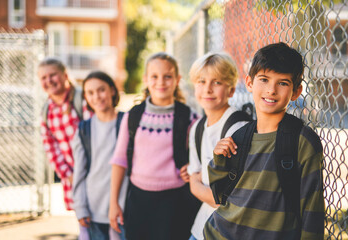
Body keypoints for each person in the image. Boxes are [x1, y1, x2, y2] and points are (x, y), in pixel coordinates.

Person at [204, 42, 325, 239]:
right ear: (249, 82)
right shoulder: (240, 136)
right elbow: (220, 193)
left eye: (283, 83)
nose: (271, 90)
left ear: (296, 91)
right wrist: (218, 159)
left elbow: (313, 212)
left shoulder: (303, 141)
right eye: (264, 79)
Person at [108, 52, 200, 240]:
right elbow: (119, 160)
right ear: (146, 80)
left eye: (168, 76)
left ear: (177, 79)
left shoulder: (189, 117)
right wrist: (113, 203)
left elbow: (199, 157)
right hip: (138, 201)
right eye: (155, 76)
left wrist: (191, 169)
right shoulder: (133, 116)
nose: (161, 82)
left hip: (176, 202)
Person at [186, 52, 249, 240]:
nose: (208, 89)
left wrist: (196, 184)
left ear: (230, 90)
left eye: (217, 82)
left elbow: (229, 199)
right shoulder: (197, 128)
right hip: (201, 228)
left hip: (229, 232)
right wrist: (195, 184)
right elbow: (192, 179)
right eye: (201, 82)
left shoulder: (237, 127)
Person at [38, 58, 92, 240]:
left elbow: (96, 136)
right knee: (84, 223)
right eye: (44, 77)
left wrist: (88, 170)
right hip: (73, 178)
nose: (49, 80)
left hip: (96, 174)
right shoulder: (46, 111)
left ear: (65, 75)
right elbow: (51, 147)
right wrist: (68, 174)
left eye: (53, 75)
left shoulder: (82, 99)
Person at [72, 71, 128, 240]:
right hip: (94, 210)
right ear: (86, 98)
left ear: (112, 90)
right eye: (90, 92)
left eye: (101, 90)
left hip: (124, 208)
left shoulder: (127, 122)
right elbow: (79, 174)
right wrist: (80, 208)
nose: (97, 96)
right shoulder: (84, 130)